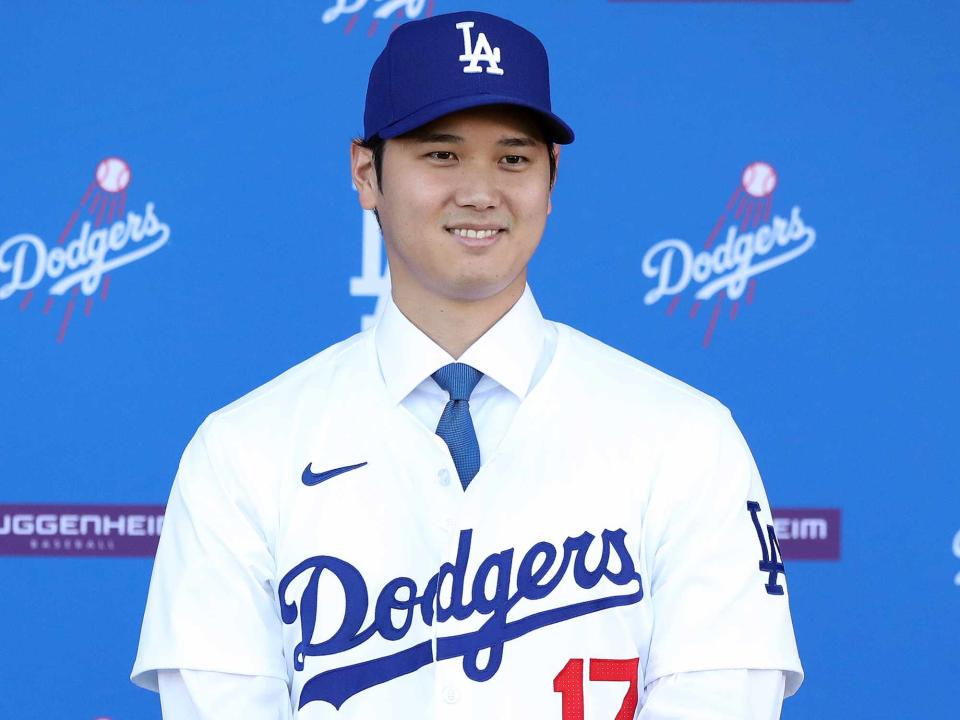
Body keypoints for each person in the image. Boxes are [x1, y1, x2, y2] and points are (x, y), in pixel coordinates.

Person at [132, 10, 802, 719]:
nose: (481, 191)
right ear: (367, 172)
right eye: (441, 154)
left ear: (551, 178)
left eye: (513, 158)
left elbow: (724, 696)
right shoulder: (244, 449)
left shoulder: (686, 437)